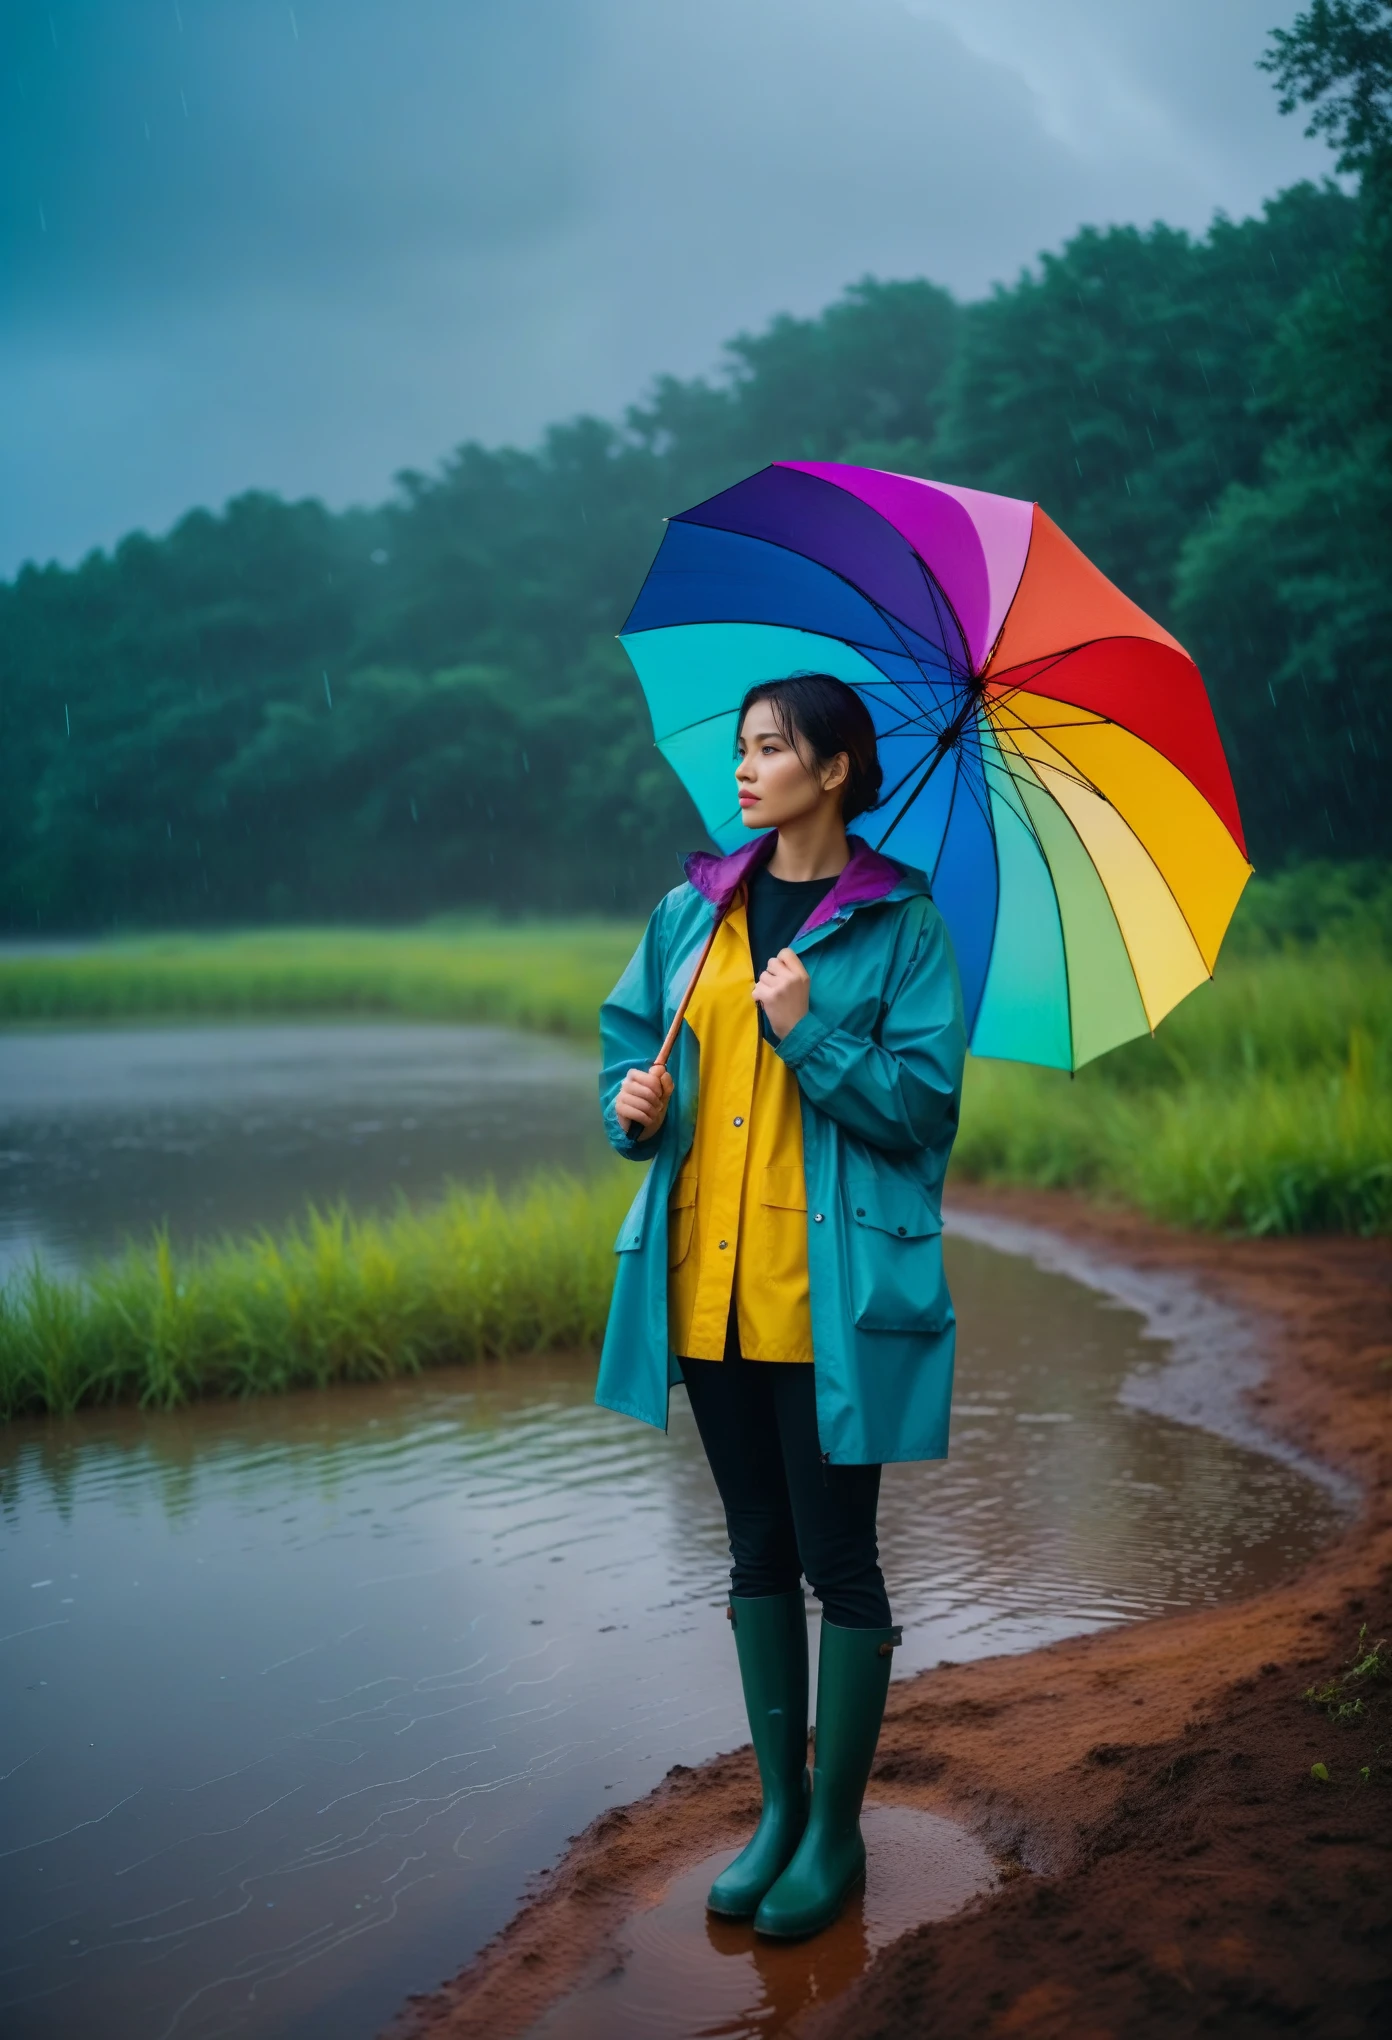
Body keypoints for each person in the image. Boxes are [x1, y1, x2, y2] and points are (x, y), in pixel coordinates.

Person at [596, 672, 966, 1940]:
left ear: (838, 770)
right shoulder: (694, 914)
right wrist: (630, 1113)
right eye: (744, 746)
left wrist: (811, 1032)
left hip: (830, 1298)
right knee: (754, 1550)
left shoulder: (901, 927)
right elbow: (628, 1049)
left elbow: (923, 1113)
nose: (745, 770)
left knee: (836, 1558)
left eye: (772, 750)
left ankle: (836, 1833)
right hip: (708, 1291)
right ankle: (776, 1811)